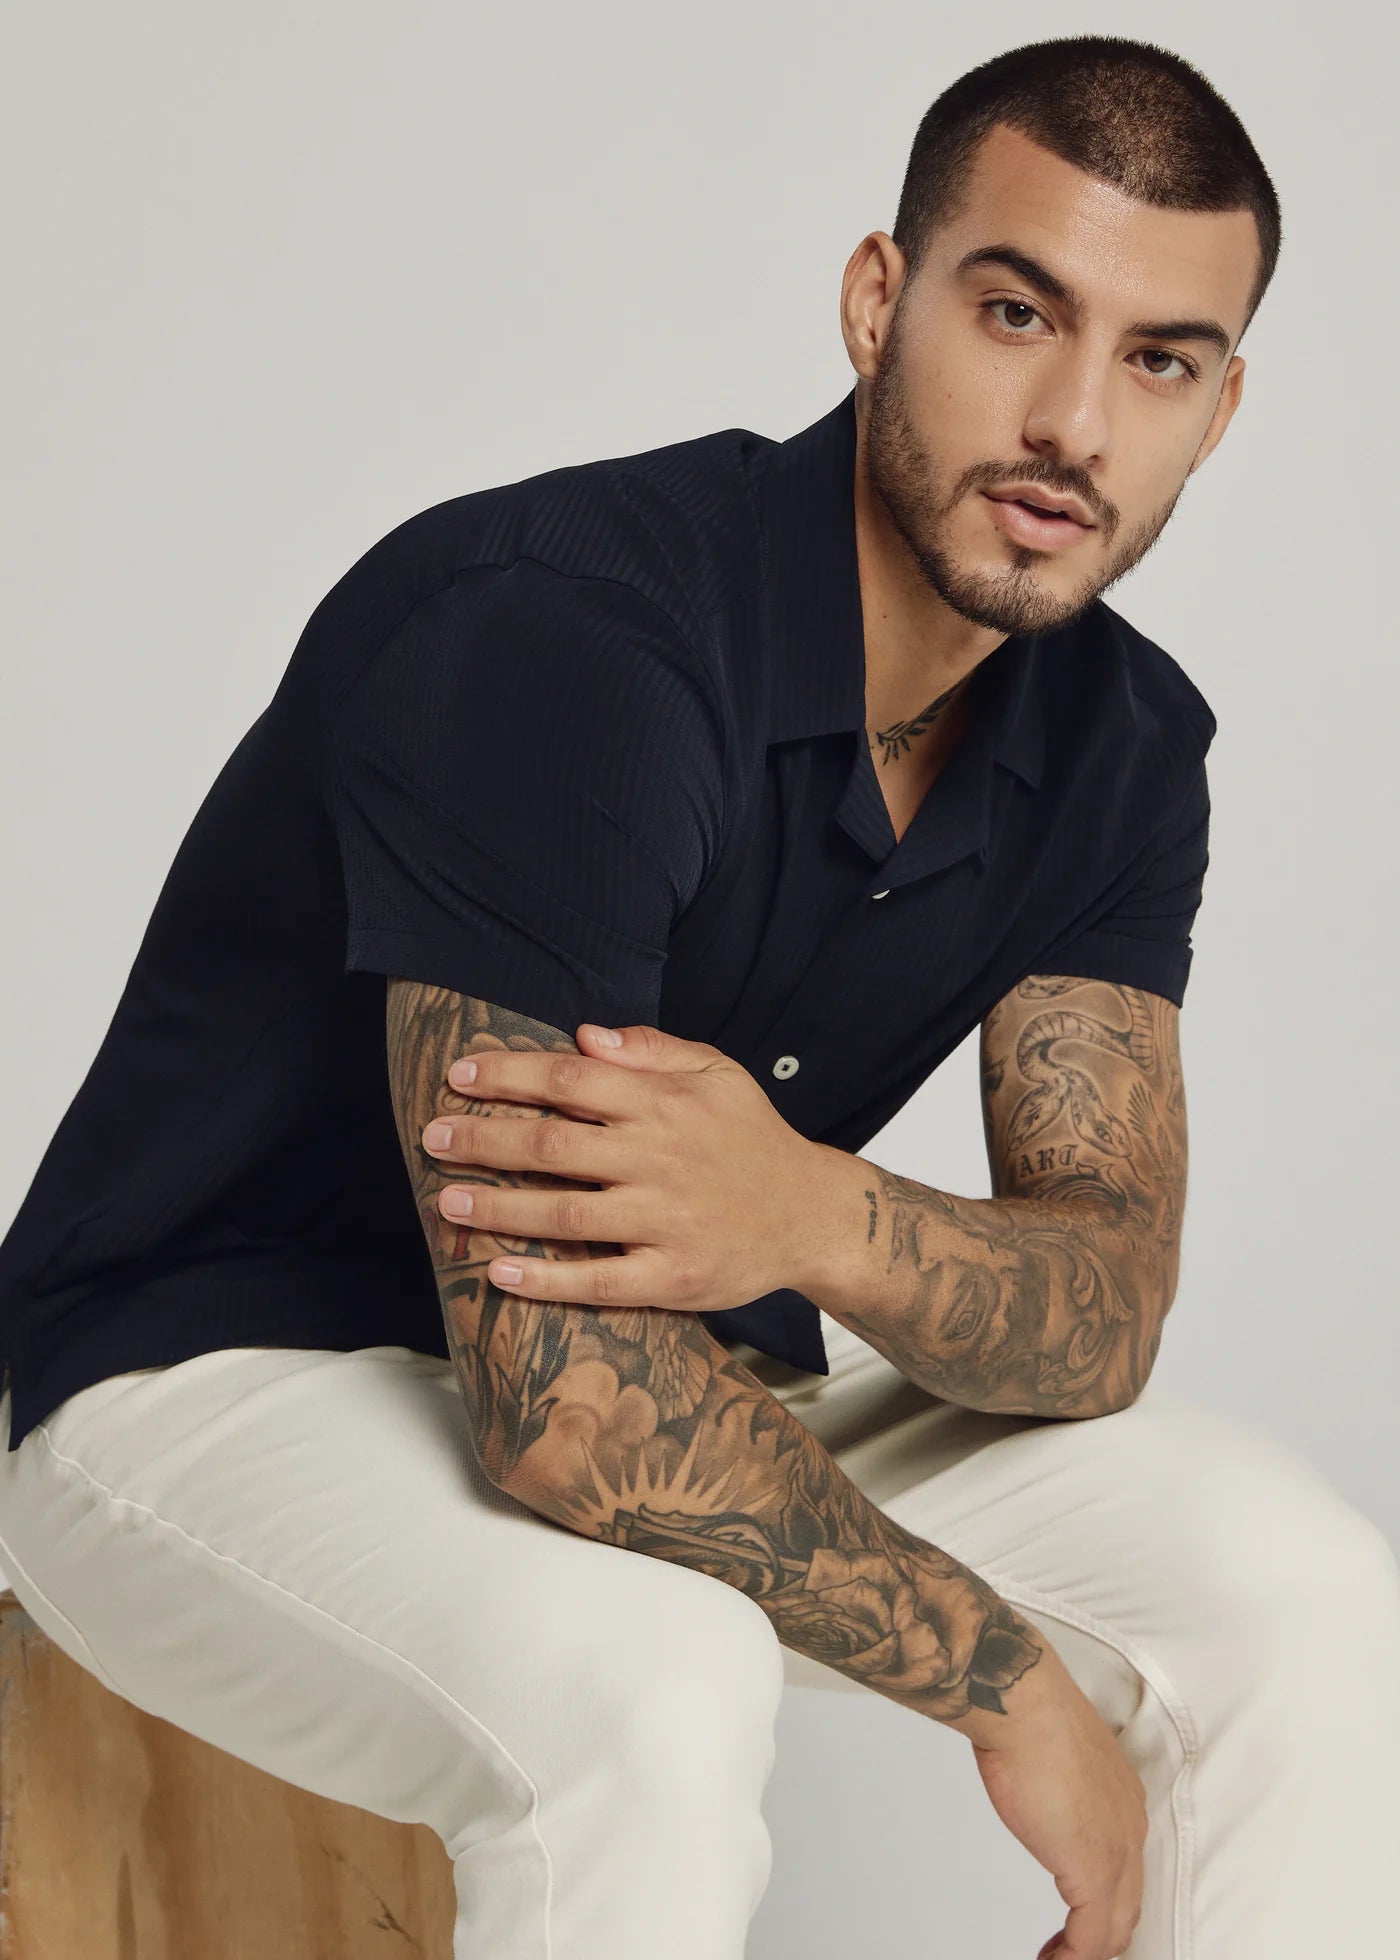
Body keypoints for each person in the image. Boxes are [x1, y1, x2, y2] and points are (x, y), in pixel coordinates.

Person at [1, 30, 1396, 1959]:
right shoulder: (572, 637)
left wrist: (803, 1211)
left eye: (1160, 360)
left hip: (696, 1366)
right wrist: (1008, 1689)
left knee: (1298, 1590)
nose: (1075, 422)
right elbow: (560, 1407)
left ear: (1222, 409)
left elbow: (1101, 1312)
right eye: (1017, 313)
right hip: (208, 1383)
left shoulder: (1125, 744)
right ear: (879, 301)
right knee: (657, 1678)